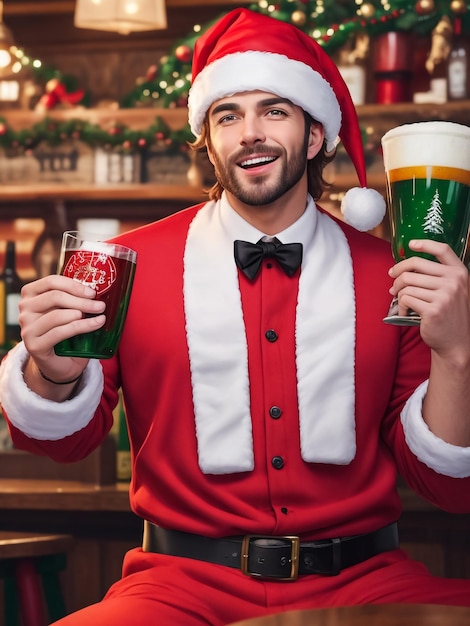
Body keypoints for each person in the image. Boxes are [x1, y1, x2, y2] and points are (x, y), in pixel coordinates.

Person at [1, 7, 470, 625]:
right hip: (178, 587)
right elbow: (60, 444)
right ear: (209, 140)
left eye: (273, 110)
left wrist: (459, 353)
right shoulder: (127, 263)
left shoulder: (392, 272)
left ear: (314, 135)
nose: (250, 132)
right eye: (228, 115)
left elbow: (447, 486)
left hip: (364, 581)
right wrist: (51, 373)